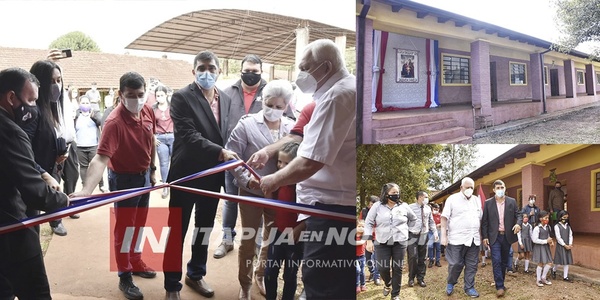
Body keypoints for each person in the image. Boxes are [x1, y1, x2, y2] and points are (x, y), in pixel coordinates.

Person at [258, 39, 356, 299]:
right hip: (330, 208)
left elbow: (310, 161)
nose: (300, 75)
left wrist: (273, 180)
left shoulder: (337, 96)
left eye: (304, 68)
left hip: (332, 211)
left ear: (325, 67)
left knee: (322, 285)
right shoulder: (343, 90)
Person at [70, 72, 157, 300]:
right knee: (125, 230)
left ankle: (136, 261)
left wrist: (154, 170)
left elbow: (152, 140)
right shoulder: (114, 123)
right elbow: (100, 158)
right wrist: (86, 191)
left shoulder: (147, 110)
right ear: (120, 95)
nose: (136, 100)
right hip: (124, 181)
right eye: (130, 95)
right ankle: (125, 276)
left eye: (140, 94)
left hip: (145, 177)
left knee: (140, 225)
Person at [162, 50, 238, 300]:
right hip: (186, 174)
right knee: (178, 229)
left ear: (219, 71)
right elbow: (188, 135)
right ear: (193, 71)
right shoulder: (182, 97)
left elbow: (225, 132)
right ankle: (172, 285)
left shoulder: (225, 99)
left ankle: (195, 274)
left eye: (212, 68)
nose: (207, 73)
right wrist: (221, 153)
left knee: (203, 228)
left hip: (212, 175)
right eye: (202, 68)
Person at [0, 67, 69, 299]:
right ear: (11, 97)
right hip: (12, 233)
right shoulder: (11, 131)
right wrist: (63, 200)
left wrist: (42, 173)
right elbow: (35, 194)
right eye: (30, 100)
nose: (33, 108)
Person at [226, 79, 295, 299]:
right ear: (261, 100)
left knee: (271, 238)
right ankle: (244, 283)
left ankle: (260, 274)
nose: (273, 110)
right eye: (269, 104)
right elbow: (232, 159)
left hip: (279, 194)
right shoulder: (246, 124)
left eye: (279, 107)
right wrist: (249, 181)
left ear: (286, 107)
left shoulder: (291, 128)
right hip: (252, 192)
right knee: (249, 239)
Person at [216, 54, 269, 259]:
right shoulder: (227, 93)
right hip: (232, 158)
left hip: (259, 163)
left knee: (258, 202)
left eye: (255, 72)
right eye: (247, 71)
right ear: (241, 71)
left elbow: (287, 120)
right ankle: (227, 240)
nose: (250, 75)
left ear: (261, 72)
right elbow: (219, 122)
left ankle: (255, 243)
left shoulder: (270, 93)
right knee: (230, 201)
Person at [29, 59, 77, 236]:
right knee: (30, 229)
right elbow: (24, 153)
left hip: (52, 167)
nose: (56, 85)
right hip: (34, 178)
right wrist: (44, 174)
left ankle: (56, 220)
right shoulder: (33, 112)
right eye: (51, 81)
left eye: (59, 80)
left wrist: (60, 152)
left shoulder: (55, 107)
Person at [264, 141, 303, 300]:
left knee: (290, 275)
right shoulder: (279, 181)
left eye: (287, 163)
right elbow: (272, 203)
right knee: (270, 271)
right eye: (279, 161)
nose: (281, 166)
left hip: (296, 238)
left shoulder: (303, 187)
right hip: (278, 233)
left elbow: (311, 212)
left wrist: (300, 228)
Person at [364, 183, 417, 300]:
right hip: (382, 242)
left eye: (397, 192)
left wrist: (407, 230)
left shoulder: (404, 206)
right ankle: (388, 283)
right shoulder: (377, 206)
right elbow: (368, 223)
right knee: (383, 267)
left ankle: (395, 294)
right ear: (386, 194)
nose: (396, 195)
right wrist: (368, 241)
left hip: (400, 242)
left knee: (398, 268)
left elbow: (413, 219)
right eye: (393, 193)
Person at [440, 177, 482, 298]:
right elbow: (444, 218)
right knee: (456, 264)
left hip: (474, 239)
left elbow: (480, 217)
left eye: (471, 188)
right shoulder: (452, 199)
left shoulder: (476, 200)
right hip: (456, 239)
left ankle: (469, 287)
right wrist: (443, 236)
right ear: (461, 188)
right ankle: (451, 282)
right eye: (467, 187)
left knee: (472, 265)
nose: (469, 189)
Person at [481, 179, 522, 298]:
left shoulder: (511, 201)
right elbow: (485, 222)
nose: (500, 190)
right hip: (494, 237)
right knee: (496, 260)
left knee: (504, 261)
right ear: (493, 190)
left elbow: (518, 214)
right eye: (497, 188)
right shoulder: (488, 203)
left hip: (507, 236)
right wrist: (485, 236)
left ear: (505, 188)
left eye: (502, 187)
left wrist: (518, 223)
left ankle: (501, 283)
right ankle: (499, 286)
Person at [74, 95, 107, 192]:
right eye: (83, 103)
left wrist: (93, 117)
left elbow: (101, 122)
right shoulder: (76, 116)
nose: (85, 105)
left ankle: (101, 185)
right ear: (79, 104)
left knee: (96, 166)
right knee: (83, 167)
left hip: (93, 145)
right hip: (80, 145)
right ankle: (85, 187)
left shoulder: (94, 113)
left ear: (90, 104)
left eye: (87, 103)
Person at [407, 191, 437, 288]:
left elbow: (431, 222)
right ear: (420, 197)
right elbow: (404, 221)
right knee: (413, 257)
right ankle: (411, 278)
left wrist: (435, 232)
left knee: (423, 258)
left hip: (424, 235)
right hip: (412, 235)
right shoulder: (410, 207)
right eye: (426, 197)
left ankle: (421, 278)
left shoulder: (428, 208)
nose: (427, 199)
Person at [152, 85, 173, 199]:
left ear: (166, 95)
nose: (159, 97)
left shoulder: (173, 107)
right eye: (157, 96)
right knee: (164, 163)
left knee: (175, 162)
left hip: (173, 136)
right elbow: (149, 124)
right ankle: (166, 186)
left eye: (161, 95)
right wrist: (153, 137)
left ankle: (176, 184)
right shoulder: (153, 109)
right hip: (160, 138)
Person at [361, 195, 382, 285]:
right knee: (368, 257)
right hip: (367, 237)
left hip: (378, 237)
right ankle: (372, 271)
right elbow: (361, 223)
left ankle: (377, 276)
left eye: (373, 205)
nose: (371, 207)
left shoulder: (381, 212)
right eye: (370, 204)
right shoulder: (364, 211)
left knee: (377, 258)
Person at [532, 210, 554, 287]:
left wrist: (551, 242)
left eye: (548, 218)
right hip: (540, 247)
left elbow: (548, 236)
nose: (547, 219)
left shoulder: (548, 227)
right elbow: (534, 240)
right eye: (545, 218)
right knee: (540, 263)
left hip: (546, 247)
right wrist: (545, 241)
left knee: (549, 262)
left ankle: (543, 277)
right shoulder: (537, 228)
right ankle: (538, 280)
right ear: (540, 219)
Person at [552, 210, 573, 282]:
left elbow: (570, 235)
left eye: (567, 217)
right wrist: (564, 245)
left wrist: (570, 244)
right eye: (564, 217)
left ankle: (565, 276)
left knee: (566, 261)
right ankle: (554, 270)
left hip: (567, 245)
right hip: (561, 245)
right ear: (560, 217)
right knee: (558, 261)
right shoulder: (557, 226)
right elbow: (558, 237)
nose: (565, 219)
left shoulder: (568, 226)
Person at [428, 203, 442, 268]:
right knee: (430, 247)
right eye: (434, 209)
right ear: (432, 209)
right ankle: (431, 260)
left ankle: (437, 261)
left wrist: (440, 224)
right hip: (430, 232)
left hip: (438, 231)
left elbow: (444, 222)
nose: (436, 210)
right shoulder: (429, 215)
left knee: (438, 247)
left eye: (437, 209)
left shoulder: (440, 216)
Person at [356, 219, 367, 294]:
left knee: (362, 271)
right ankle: (357, 285)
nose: (361, 228)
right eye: (359, 226)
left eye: (363, 226)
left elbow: (362, 242)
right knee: (357, 270)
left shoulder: (365, 235)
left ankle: (363, 284)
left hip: (362, 256)